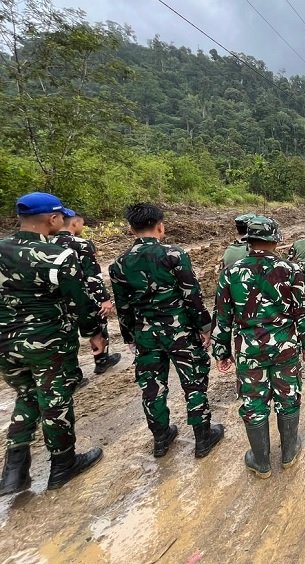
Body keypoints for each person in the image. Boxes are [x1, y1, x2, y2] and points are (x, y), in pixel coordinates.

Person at [0, 192, 105, 495]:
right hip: (47, 342)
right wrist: (94, 333)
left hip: (6, 345)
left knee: (26, 395)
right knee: (55, 401)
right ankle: (63, 464)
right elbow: (79, 301)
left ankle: (14, 471)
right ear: (54, 218)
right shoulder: (56, 255)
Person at [109, 203, 224, 459]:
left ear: (131, 229)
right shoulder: (174, 255)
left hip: (146, 334)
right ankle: (202, 437)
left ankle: (161, 438)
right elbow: (191, 295)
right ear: (160, 226)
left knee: (152, 387)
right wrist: (205, 327)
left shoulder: (119, 264)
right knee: (193, 382)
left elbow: (123, 306)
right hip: (179, 331)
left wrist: (129, 336)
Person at [213, 218, 305, 478]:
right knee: (288, 395)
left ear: (248, 241)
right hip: (285, 347)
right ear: (275, 240)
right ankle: (289, 452)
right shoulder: (291, 270)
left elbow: (223, 317)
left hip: (250, 350)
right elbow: (302, 311)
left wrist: (221, 352)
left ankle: (261, 462)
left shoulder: (230, 272)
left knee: (253, 401)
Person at [52, 210, 122, 376]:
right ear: (74, 223)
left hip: (57, 299)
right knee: (98, 328)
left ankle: (70, 373)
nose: (82, 227)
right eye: (82, 223)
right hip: (83, 297)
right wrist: (104, 299)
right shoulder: (81, 244)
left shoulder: (48, 245)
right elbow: (92, 275)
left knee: (66, 336)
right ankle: (101, 360)